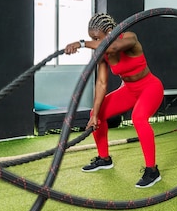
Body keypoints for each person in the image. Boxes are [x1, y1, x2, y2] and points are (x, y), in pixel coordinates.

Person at [65, 13, 164, 188]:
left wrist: (81, 44)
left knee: (139, 118)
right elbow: (102, 83)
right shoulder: (102, 53)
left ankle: (152, 170)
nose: (94, 42)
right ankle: (104, 158)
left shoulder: (129, 38)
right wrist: (94, 114)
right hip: (128, 90)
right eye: (91, 38)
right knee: (97, 113)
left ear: (109, 31)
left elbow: (112, 47)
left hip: (150, 87)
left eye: (96, 38)